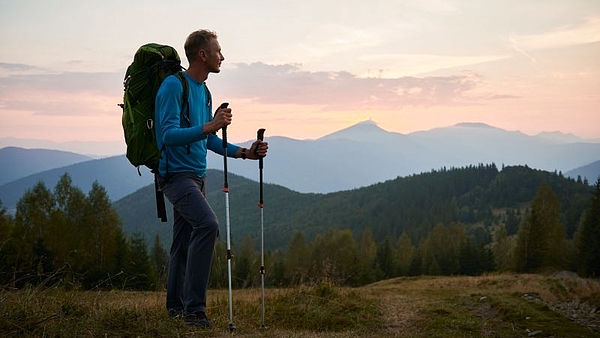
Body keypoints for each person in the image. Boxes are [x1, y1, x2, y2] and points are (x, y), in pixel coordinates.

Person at [154, 29, 268, 327]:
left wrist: (246, 153)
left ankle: (176, 309)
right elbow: (166, 136)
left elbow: (208, 140)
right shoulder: (172, 86)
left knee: (183, 244)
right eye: (218, 51)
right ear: (202, 55)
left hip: (198, 177)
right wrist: (210, 125)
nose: (223, 56)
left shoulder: (203, 92)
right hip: (175, 176)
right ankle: (195, 311)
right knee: (208, 225)